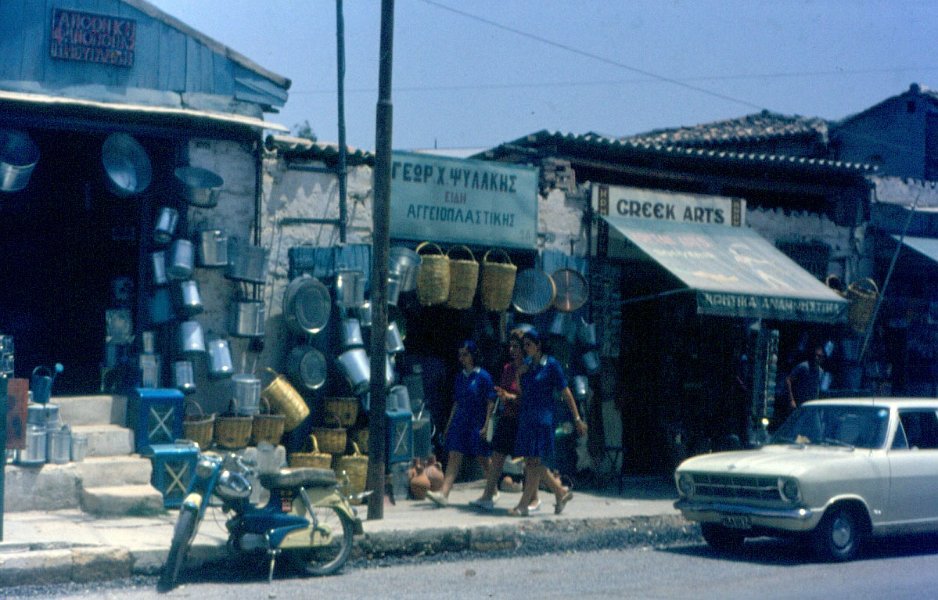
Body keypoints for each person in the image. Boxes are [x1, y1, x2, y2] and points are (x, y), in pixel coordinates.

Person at [507, 328, 586, 517]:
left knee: (534, 461)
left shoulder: (551, 365)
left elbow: (565, 392)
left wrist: (577, 418)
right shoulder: (527, 365)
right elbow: (523, 392)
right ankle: (561, 492)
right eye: (524, 345)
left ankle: (523, 504)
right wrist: (520, 374)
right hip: (528, 417)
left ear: (538, 345)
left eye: (528, 345)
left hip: (543, 418)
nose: (525, 349)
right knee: (532, 461)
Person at [471, 328, 540, 511]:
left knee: (529, 461)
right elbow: (502, 389)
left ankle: (535, 497)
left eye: (516, 346)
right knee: (498, 456)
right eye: (511, 346)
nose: (512, 350)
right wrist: (502, 396)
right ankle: (488, 494)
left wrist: (511, 397)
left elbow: (529, 396)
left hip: (523, 420)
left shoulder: (529, 369)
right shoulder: (508, 368)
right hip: (508, 418)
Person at [427, 340, 495, 507]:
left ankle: (493, 488)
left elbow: (490, 402)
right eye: (460, 355)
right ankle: (444, 493)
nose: (462, 358)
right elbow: (456, 403)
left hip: (476, 421)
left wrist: (487, 425)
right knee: (454, 455)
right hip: (460, 421)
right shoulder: (460, 377)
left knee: (483, 457)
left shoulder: (483, 377)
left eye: (465, 354)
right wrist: (449, 426)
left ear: (472, 355)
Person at [786, 343, 826, 412]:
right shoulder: (803, 367)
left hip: (812, 405)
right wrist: (791, 400)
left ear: (822, 358)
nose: (816, 358)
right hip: (799, 404)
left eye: (819, 356)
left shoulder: (821, 372)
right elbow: (788, 380)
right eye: (815, 355)